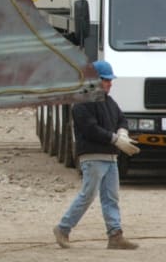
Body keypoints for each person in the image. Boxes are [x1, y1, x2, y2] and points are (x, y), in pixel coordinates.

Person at [53, 60, 140, 250]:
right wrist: (115, 139)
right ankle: (63, 228)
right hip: (92, 156)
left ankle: (115, 235)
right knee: (88, 195)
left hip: (109, 157)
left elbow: (121, 119)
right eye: (106, 80)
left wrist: (123, 132)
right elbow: (91, 129)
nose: (110, 83)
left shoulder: (108, 101)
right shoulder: (82, 103)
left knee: (111, 197)